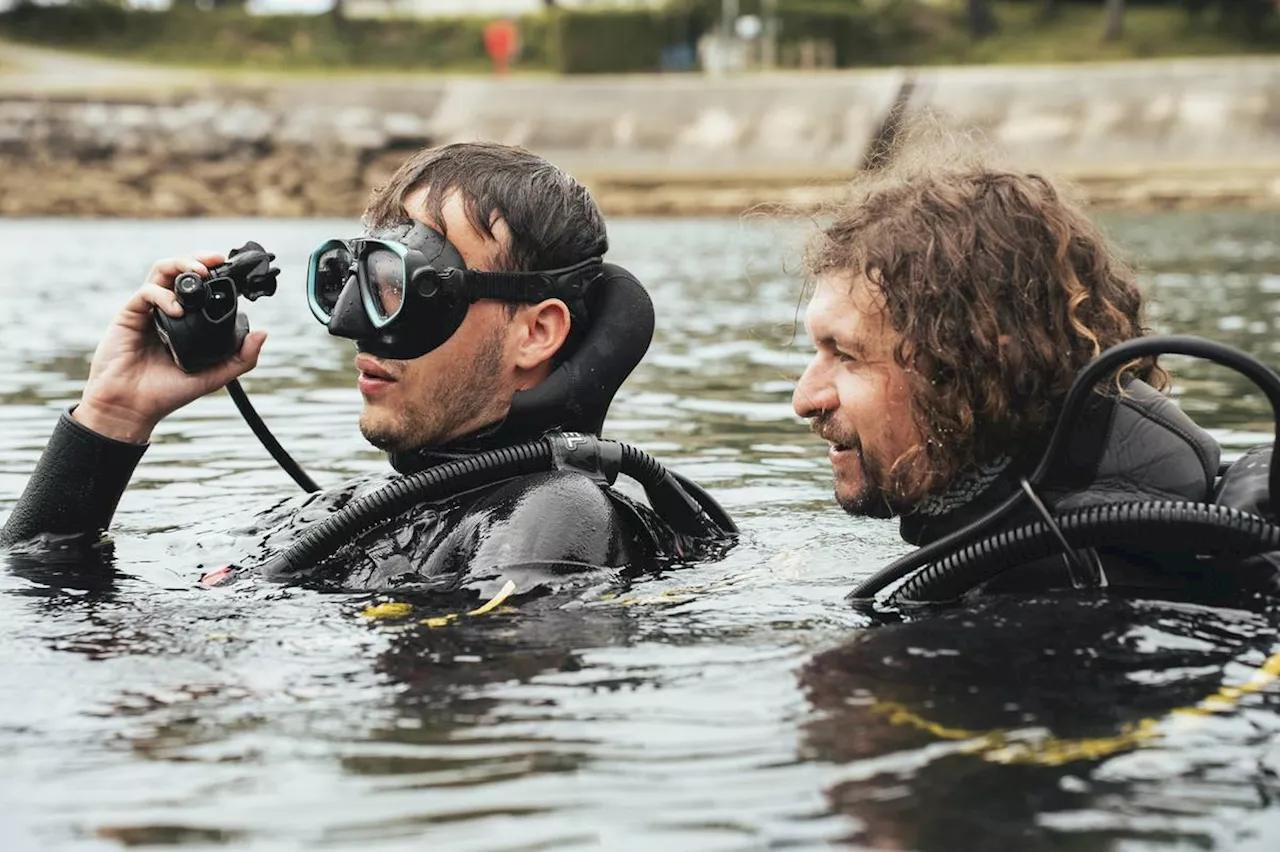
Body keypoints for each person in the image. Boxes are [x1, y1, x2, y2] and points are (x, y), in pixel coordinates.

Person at [0, 142, 729, 596]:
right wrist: (113, 416)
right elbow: (38, 579)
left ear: (536, 333)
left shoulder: (553, 514)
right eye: (360, 278)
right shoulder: (352, 512)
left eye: (409, 286)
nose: (356, 324)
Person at [790, 146, 1272, 603]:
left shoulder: (1060, 602)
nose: (804, 398)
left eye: (847, 355)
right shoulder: (1092, 525)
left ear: (977, 363)